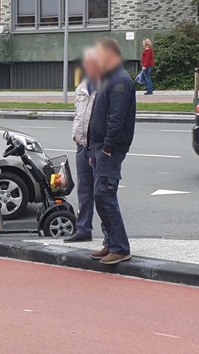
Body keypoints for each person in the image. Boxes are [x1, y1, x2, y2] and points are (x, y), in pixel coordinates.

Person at [87, 38, 135, 265]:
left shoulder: (120, 81)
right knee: (101, 195)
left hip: (109, 149)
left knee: (104, 195)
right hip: (99, 148)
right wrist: (92, 149)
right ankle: (110, 242)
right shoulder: (108, 79)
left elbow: (117, 118)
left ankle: (120, 247)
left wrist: (106, 147)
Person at [64, 49, 104, 243]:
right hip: (81, 146)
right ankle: (83, 229)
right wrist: (75, 136)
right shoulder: (81, 88)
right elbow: (78, 116)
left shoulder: (105, 88)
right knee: (84, 189)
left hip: (97, 147)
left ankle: (109, 233)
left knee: (102, 192)